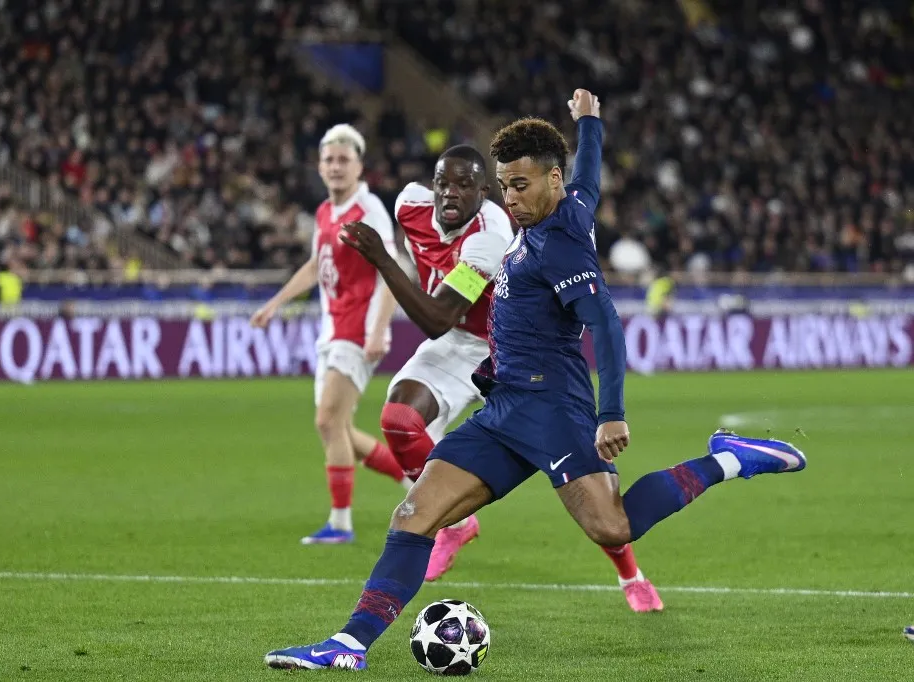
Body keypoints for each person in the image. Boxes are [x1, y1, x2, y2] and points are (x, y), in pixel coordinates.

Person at [264, 90, 806, 671]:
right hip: (504, 407)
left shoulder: (562, 246)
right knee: (413, 514)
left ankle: (728, 459)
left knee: (611, 526)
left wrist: (611, 412)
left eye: (520, 186)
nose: (510, 199)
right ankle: (349, 645)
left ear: (551, 179)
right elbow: (590, 175)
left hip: (555, 409)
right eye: (505, 186)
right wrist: (591, 123)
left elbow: (607, 325)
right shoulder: (569, 202)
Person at [338, 144, 665, 611]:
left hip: (513, 350)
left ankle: (629, 573)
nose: (450, 194)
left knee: (583, 482)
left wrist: (382, 258)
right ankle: (452, 524)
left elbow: (434, 316)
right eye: (443, 184)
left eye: (464, 186)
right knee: (399, 417)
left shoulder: (490, 235)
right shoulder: (409, 204)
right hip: (458, 342)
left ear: (483, 191)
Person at [250, 123, 407, 545]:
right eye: (329, 160)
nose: (336, 167)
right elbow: (314, 267)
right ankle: (413, 482)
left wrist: (378, 331)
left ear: (360, 166)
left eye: (344, 159)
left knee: (327, 420)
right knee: (335, 429)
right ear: (319, 166)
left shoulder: (368, 211)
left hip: (357, 330)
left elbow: (392, 272)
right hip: (331, 329)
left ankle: (340, 524)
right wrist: (275, 304)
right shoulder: (324, 212)